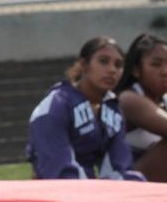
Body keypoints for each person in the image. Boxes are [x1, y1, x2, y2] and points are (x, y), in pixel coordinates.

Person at [27, 37, 144, 180]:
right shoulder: (56, 105)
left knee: (136, 181)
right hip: (58, 189)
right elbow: (57, 169)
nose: (112, 70)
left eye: (118, 65)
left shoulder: (113, 110)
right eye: (103, 61)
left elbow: (119, 167)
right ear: (84, 65)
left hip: (91, 190)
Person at [116, 33, 167, 182]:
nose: (165, 71)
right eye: (156, 64)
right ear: (136, 70)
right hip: (120, 185)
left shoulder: (164, 98)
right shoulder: (128, 99)